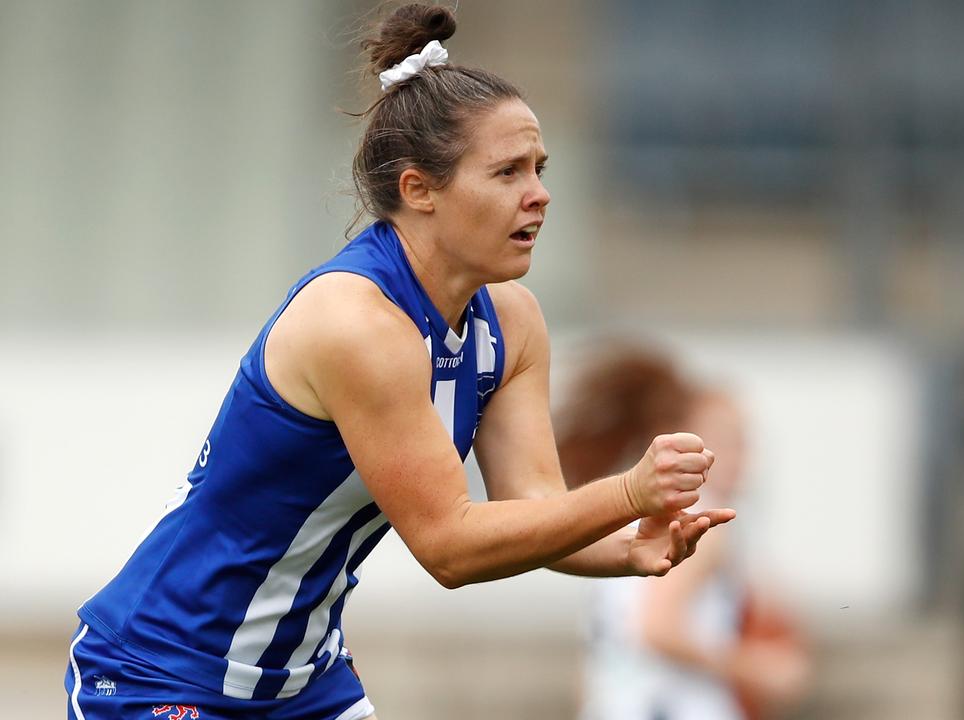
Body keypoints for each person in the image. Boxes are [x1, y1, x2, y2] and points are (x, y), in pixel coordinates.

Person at [63, 6, 733, 719]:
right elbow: (450, 548)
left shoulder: (511, 320)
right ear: (419, 191)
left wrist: (627, 550)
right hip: (157, 673)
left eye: (539, 168)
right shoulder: (357, 325)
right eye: (506, 171)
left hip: (303, 686)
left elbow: (531, 509)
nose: (538, 194)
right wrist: (628, 493)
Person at [557, 344, 810, 720]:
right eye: (728, 441)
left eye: (746, 442)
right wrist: (758, 670)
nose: (744, 457)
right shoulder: (700, 523)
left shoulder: (625, 520)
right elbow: (657, 627)